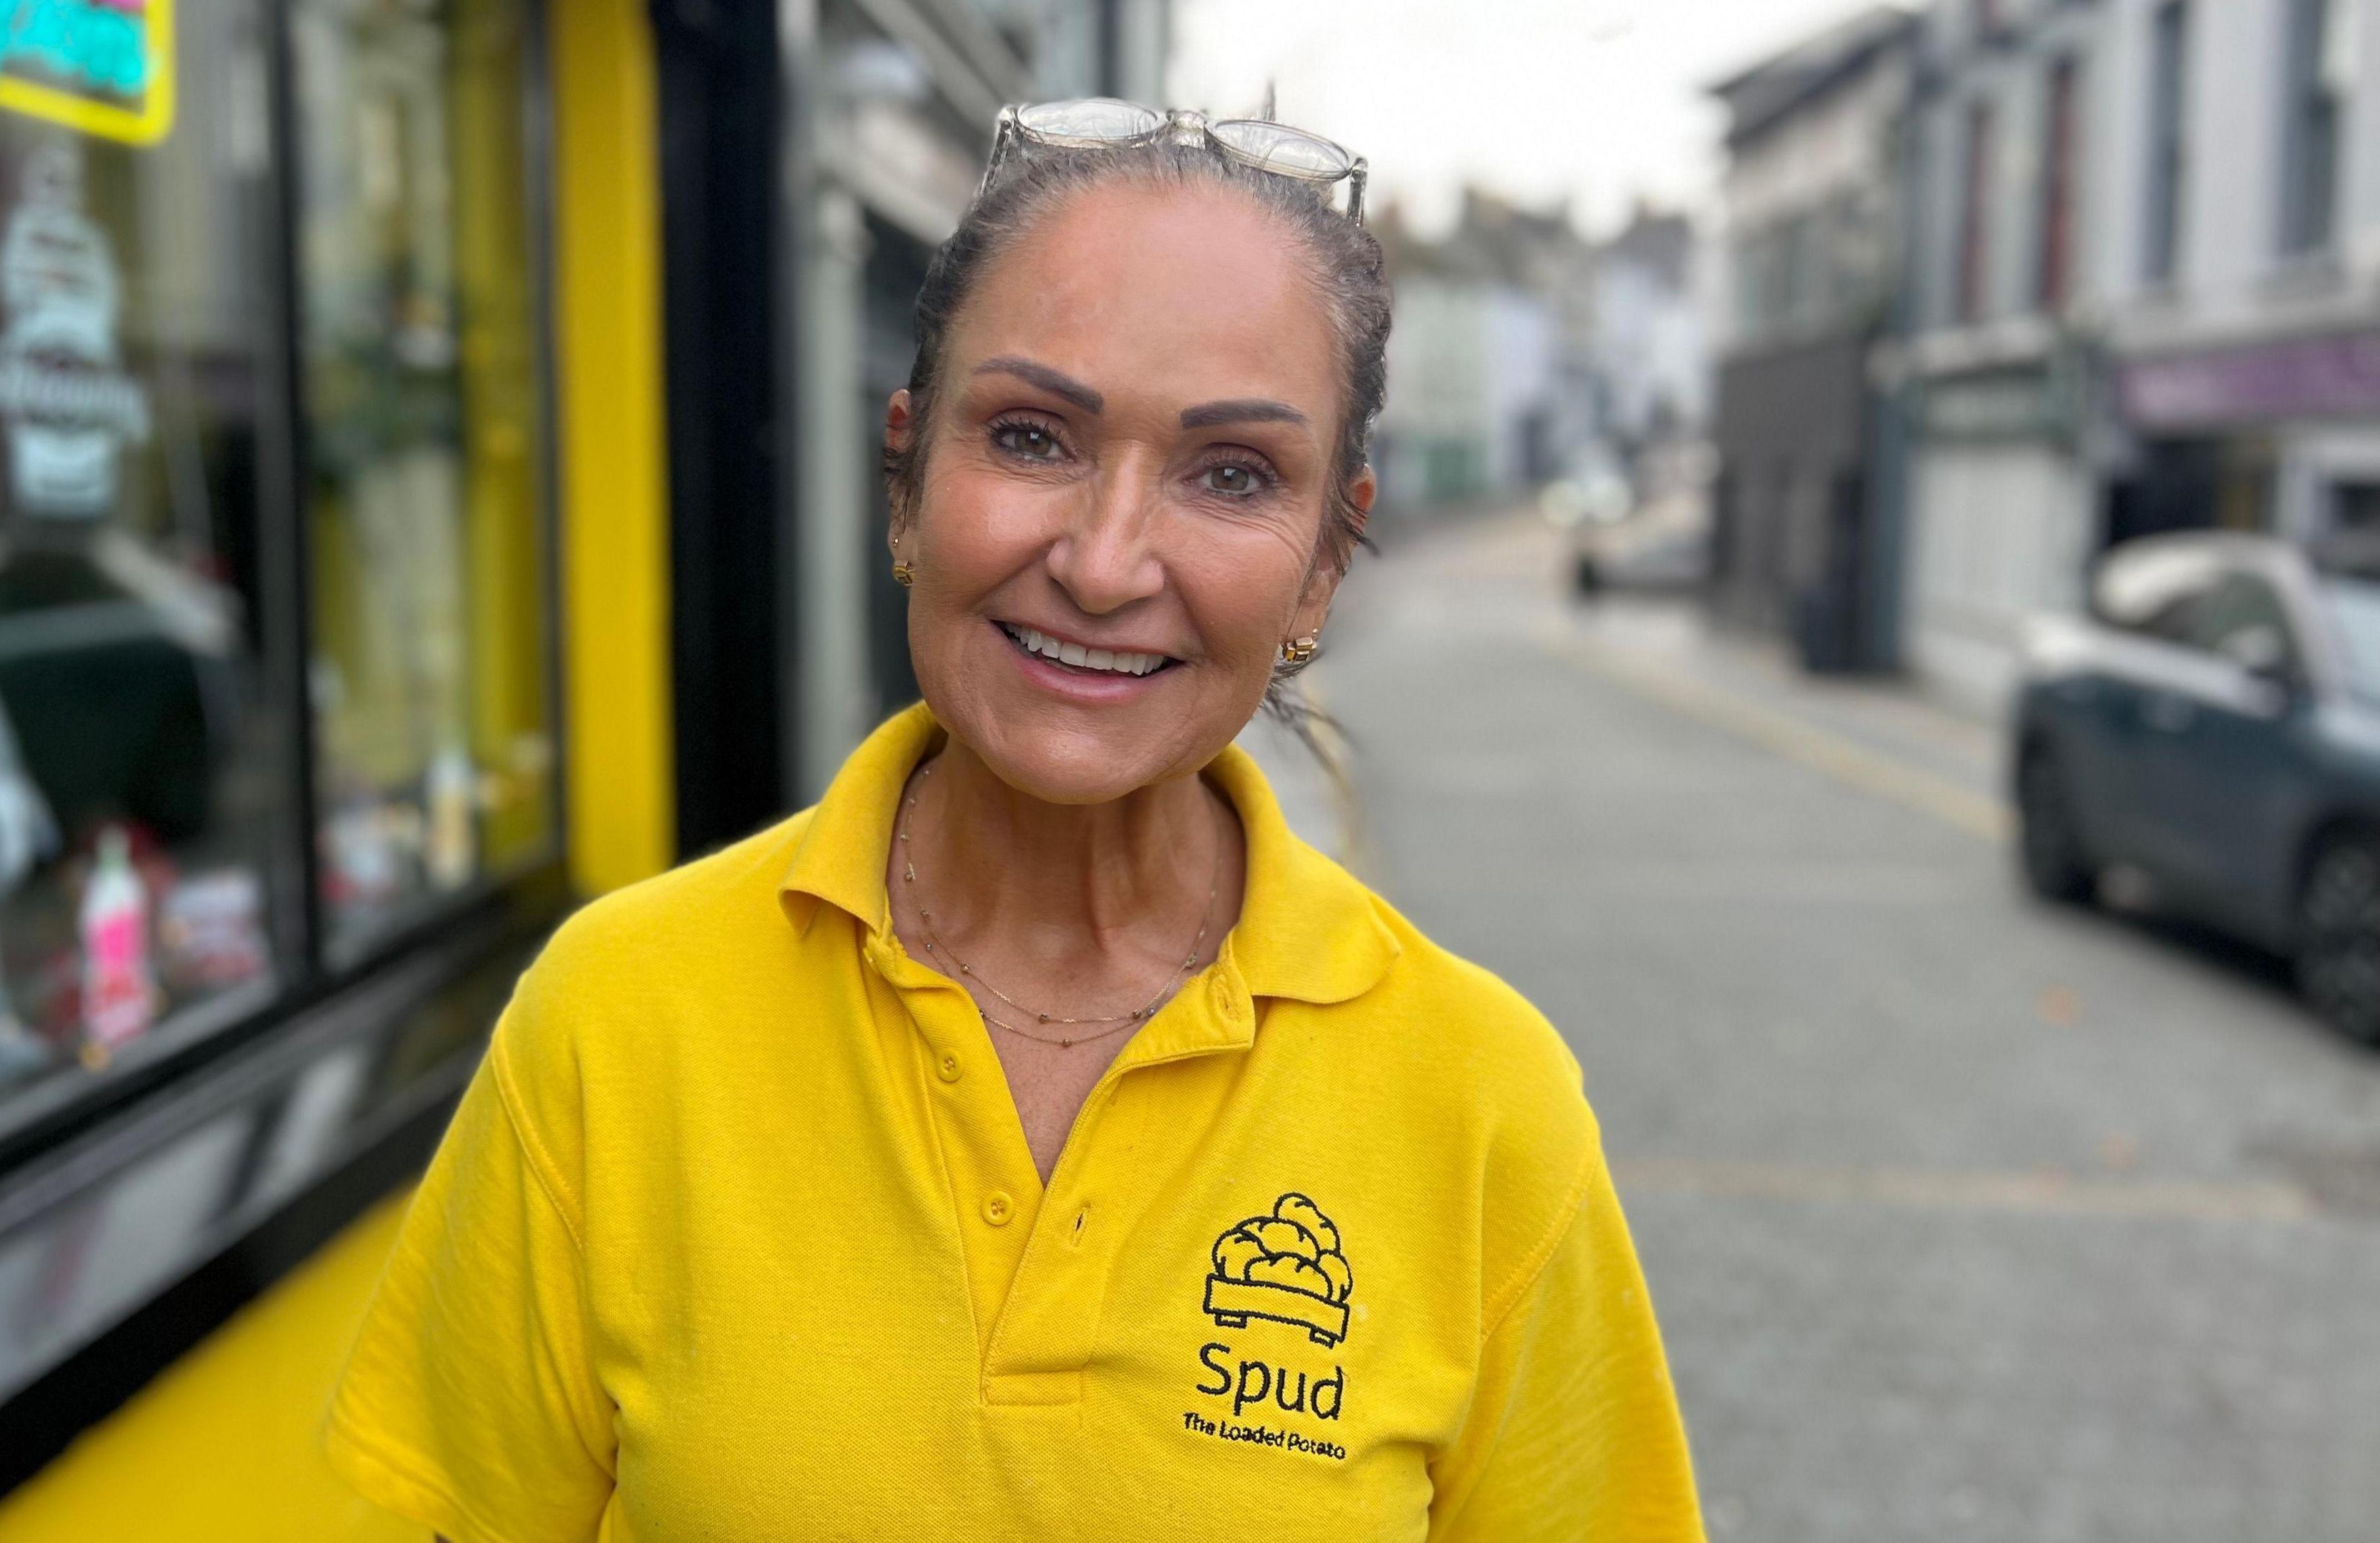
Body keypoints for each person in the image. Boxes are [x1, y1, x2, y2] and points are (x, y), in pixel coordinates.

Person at [324, 99, 1705, 1540]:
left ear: (1322, 567)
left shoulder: (1483, 1104)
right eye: (1034, 437)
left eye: (1232, 474)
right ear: (907, 480)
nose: (1105, 565)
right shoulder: (616, 1022)